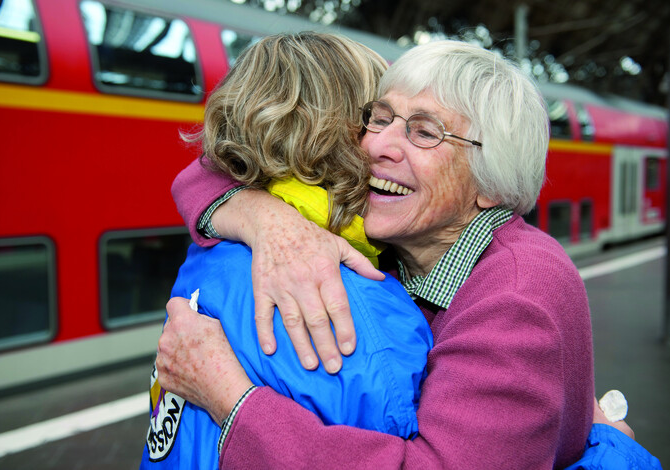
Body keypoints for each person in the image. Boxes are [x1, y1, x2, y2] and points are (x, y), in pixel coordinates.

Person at [158, 39, 596, 469]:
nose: (374, 146)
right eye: (379, 118)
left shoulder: (518, 297)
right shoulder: (396, 246)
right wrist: (264, 218)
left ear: (491, 185)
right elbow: (207, 170)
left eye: (425, 132)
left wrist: (230, 400)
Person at [141, 32, 433, 470]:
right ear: (342, 134)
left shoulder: (210, 254)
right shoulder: (370, 319)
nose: (389, 142)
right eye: (378, 119)